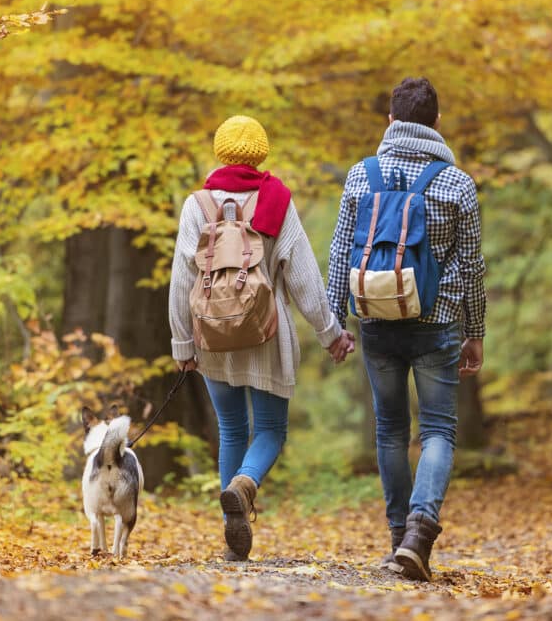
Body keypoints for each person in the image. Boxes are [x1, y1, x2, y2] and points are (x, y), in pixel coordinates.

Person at [169, 115, 355, 561]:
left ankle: (232, 528)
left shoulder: (196, 206)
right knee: (270, 429)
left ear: (220, 152)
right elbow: (306, 280)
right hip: (267, 334)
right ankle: (245, 486)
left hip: (212, 336)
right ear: (261, 153)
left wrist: (182, 343)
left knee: (232, 428)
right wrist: (331, 334)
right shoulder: (276, 201)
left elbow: (181, 279)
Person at [326, 78, 486, 582]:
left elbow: (337, 253)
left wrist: (336, 322)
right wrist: (475, 330)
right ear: (437, 123)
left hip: (375, 320)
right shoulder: (456, 183)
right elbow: (473, 265)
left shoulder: (360, 176)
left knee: (390, 430)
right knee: (437, 429)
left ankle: (399, 539)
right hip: (437, 323)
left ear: (391, 122)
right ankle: (421, 531)